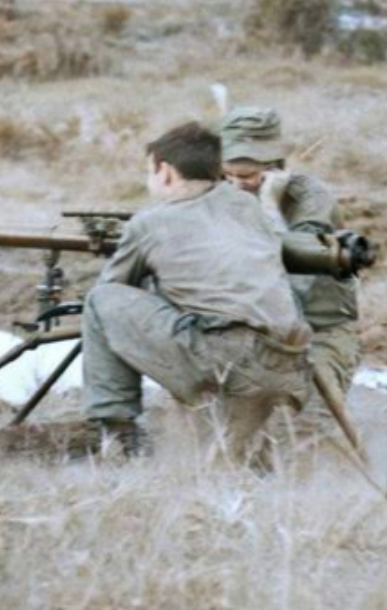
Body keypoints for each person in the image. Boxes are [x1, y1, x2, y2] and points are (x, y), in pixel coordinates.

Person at [81, 121, 312, 462]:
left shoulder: (148, 223)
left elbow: (114, 289)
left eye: (150, 171)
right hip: (289, 365)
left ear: (165, 171)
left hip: (226, 360)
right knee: (228, 468)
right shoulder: (247, 206)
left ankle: (118, 436)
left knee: (100, 301)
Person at [219, 107, 360, 442]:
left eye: (249, 177)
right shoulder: (219, 195)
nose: (237, 186)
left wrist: (269, 207)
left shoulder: (311, 198)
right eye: (229, 176)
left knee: (300, 439)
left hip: (317, 330)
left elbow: (295, 279)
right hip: (246, 331)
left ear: (275, 168)